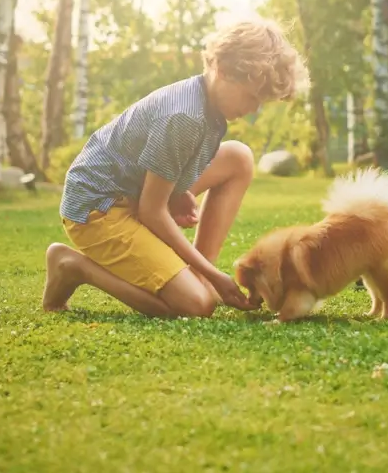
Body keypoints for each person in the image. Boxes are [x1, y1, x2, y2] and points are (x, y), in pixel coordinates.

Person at [42, 20, 308, 318]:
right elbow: (151, 211)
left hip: (133, 192)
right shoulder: (185, 117)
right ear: (221, 69)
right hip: (98, 208)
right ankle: (73, 267)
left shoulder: (209, 104)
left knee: (238, 157)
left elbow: (162, 168)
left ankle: (196, 279)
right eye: (250, 97)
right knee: (197, 305)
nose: (253, 110)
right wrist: (216, 275)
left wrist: (178, 190)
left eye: (260, 101)